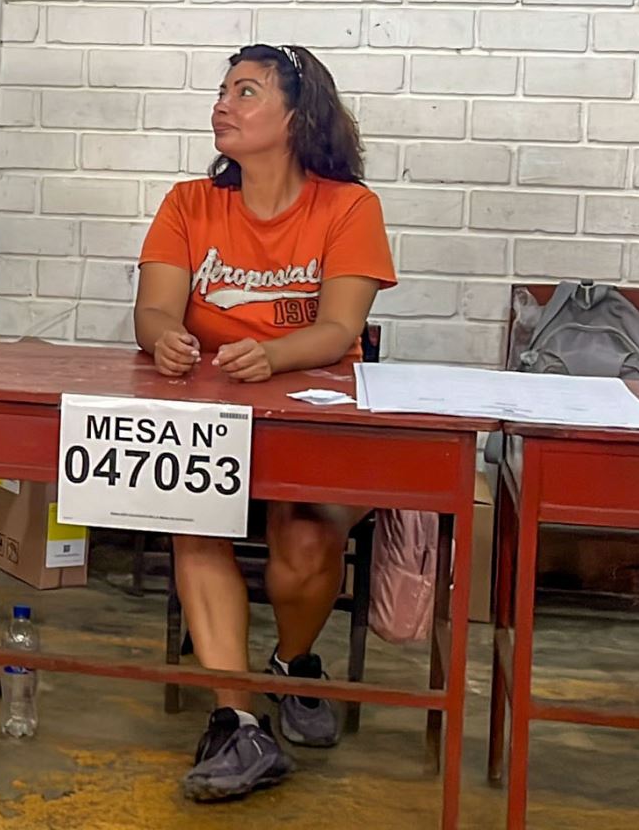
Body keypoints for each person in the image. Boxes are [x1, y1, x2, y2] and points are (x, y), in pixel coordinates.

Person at [132, 44, 397, 802]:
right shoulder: (190, 202)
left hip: (309, 411)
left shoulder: (349, 207)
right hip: (212, 412)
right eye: (222, 92)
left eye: (244, 93)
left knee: (309, 534)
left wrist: (272, 355)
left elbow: (340, 326)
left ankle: (292, 663)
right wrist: (164, 337)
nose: (223, 105)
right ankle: (238, 722)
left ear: (295, 118)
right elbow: (153, 308)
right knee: (193, 516)